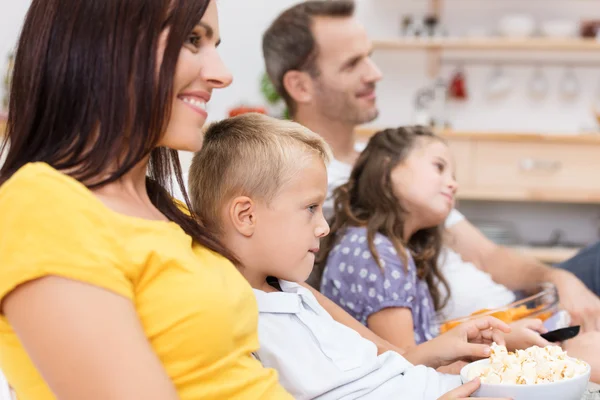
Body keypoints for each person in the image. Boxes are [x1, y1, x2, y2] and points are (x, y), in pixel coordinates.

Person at [0, 1, 294, 399]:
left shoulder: (169, 211)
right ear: (103, 45)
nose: (222, 75)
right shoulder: (38, 206)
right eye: (193, 40)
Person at [262, 0, 600, 332]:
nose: (375, 74)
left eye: (370, 57)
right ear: (300, 86)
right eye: (352, 64)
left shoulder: (386, 158)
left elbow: (486, 254)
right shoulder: (300, 183)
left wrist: (556, 277)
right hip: (480, 328)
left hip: (516, 303)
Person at [187, 112, 512, 400]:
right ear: (246, 216)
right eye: (311, 208)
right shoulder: (236, 316)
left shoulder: (295, 291)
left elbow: (382, 367)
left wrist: (452, 353)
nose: (324, 227)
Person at [316, 125, 600, 383]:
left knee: (586, 346)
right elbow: (407, 366)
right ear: (388, 168)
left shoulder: (385, 249)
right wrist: (500, 350)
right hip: (430, 381)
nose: (453, 184)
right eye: (439, 168)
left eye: (453, 176)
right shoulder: (372, 252)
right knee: (588, 350)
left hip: (438, 372)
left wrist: (501, 339)